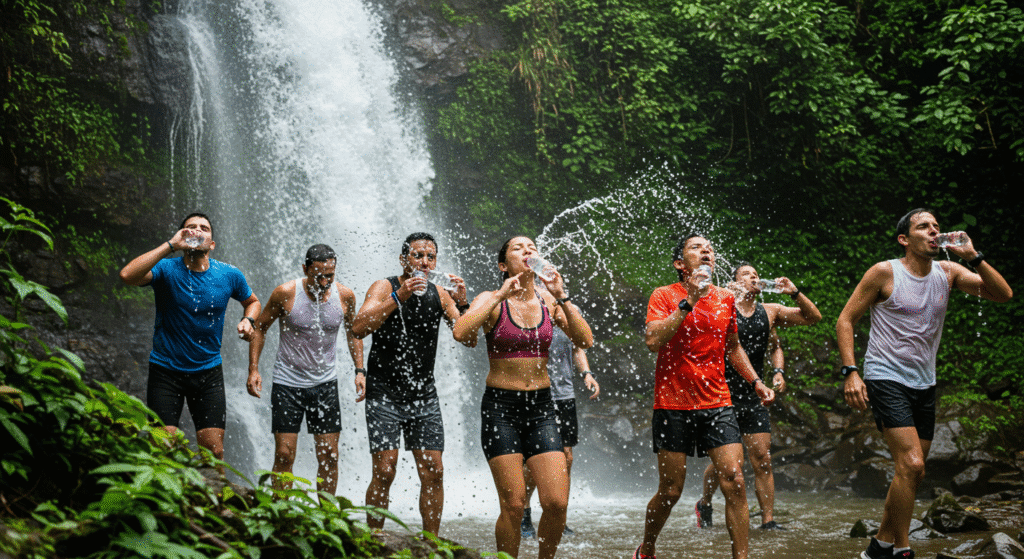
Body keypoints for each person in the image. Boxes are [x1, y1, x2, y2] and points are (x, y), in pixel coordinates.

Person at [837, 209, 1011, 559]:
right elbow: (845, 319)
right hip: (885, 375)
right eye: (924, 227)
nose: (934, 232)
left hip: (924, 382)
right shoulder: (885, 272)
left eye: (936, 226)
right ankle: (901, 548)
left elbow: (1002, 294)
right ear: (905, 239)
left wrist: (973, 256)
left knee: (910, 472)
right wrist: (851, 371)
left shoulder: (947, 272)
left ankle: (878, 547)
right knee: (913, 464)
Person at [633, 234, 774, 559]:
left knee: (735, 480)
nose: (706, 250)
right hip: (673, 405)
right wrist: (689, 302)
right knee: (670, 491)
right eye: (696, 247)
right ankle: (648, 547)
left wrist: (755, 381)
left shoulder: (726, 298)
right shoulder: (665, 295)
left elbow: (733, 346)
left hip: (717, 401)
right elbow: (653, 340)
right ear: (680, 264)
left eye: (709, 247)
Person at [453, 236, 593, 559]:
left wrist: (563, 297)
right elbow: (462, 333)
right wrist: (499, 295)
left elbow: (585, 338)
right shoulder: (491, 298)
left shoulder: (549, 302)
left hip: (542, 408)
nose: (528, 250)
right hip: (501, 409)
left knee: (557, 503)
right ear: (503, 265)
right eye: (518, 248)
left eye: (532, 247)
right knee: (514, 505)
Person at [351, 232, 472, 536]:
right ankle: (375, 540)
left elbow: (467, 338)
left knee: (434, 471)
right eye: (418, 255)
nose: (424, 262)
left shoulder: (440, 294)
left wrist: (464, 303)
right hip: (384, 395)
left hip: (423, 396)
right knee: (384, 469)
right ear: (404, 259)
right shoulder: (385, 286)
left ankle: (430, 543)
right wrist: (399, 296)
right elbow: (359, 327)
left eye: (430, 257)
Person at [119, 212, 261, 461]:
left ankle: (214, 500)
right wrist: (171, 245)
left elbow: (253, 301)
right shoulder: (165, 269)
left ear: (212, 243)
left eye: (203, 228)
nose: (197, 231)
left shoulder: (229, 275)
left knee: (214, 452)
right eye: (190, 228)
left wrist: (248, 320)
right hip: (166, 371)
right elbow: (127, 275)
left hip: (208, 373)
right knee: (163, 447)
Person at [696, 262, 821, 531]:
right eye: (746, 274)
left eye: (755, 273)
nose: (753, 277)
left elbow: (813, 318)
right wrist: (723, 293)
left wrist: (794, 292)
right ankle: (704, 503)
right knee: (727, 463)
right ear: (735, 282)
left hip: (754, 394)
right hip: (721, 393)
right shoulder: (723, 306)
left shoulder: (770, 311)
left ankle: (768, 521)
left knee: (763, 459)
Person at [245, 244, 364, 495]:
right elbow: (261, 327)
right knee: (285, 454)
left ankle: (329, 518)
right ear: (305, 269)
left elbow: (354, 332)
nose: (324, 281)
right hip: (287, 383)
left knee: (330, 456)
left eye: (329, 275)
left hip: (325, 384)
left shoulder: (345, 296)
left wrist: (360, 370)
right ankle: (281, 513)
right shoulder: (286, 293)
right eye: (318, 274)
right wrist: (253, 369)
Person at [520, 315, 600, 539]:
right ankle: (524, 512)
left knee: (566, 458)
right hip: (535, 394)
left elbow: (578, 347)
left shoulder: (568, 311)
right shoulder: (530, 309)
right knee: (535, 460)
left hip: (564, 396)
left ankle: (558, 516)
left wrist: (586, 373)